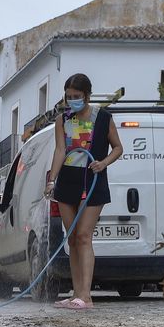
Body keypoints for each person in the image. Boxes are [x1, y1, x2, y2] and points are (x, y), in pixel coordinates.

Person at [44, 73, 123, 310]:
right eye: (69, 97)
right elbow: (60, 150)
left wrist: (103, 163)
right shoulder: (62, 119)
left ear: (87, 95)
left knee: (84, 236)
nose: (72, 101)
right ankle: (76, 293)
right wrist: (51, 180)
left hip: (93, 179)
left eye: (77, 96)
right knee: (72, 239)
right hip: (67, 180)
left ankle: (86, 296)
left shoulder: (103, 117)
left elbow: (118, 148)